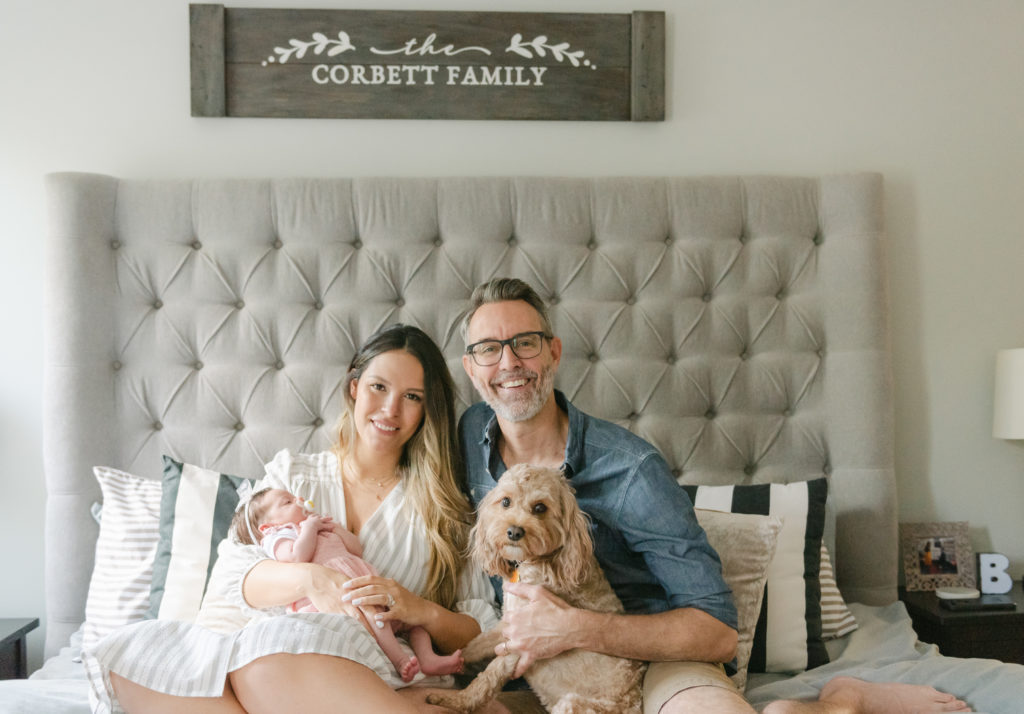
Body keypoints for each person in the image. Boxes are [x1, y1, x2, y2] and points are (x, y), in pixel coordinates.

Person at [457, 277, 972, 714]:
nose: (508, 362)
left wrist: (571, 629)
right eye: (488, 348)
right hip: (536, 667)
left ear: (553, 351)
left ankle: (839, 699)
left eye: (525, 342)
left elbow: (717, 631)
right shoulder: (468, 438)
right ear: (470, 367)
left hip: (657, 661)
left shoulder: (631, 470)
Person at [86, 324, 502, 714]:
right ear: (354, 388)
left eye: (412, 397)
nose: (390, 409)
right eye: (378, 387)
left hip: (367, 672)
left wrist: (419, 611)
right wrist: (313, 580)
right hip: (266, 662)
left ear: (427, 409)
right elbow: (233, 576)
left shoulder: (445, 507)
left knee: (272, 658)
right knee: (130, 657)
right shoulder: (293, 476)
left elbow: (481, 631)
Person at [233, 486, 465, 682]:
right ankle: (399, 659)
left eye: (295, 497)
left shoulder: (316, 526)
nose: (299, 500)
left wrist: (337, 530)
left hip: (360, 580)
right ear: (268, 526)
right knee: (376, 616)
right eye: (288, 502)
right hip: (337, 598)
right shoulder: (280, 536)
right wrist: (310, 529)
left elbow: (355, 549)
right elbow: (297, 557)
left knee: (414, 625)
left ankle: (428, 659)